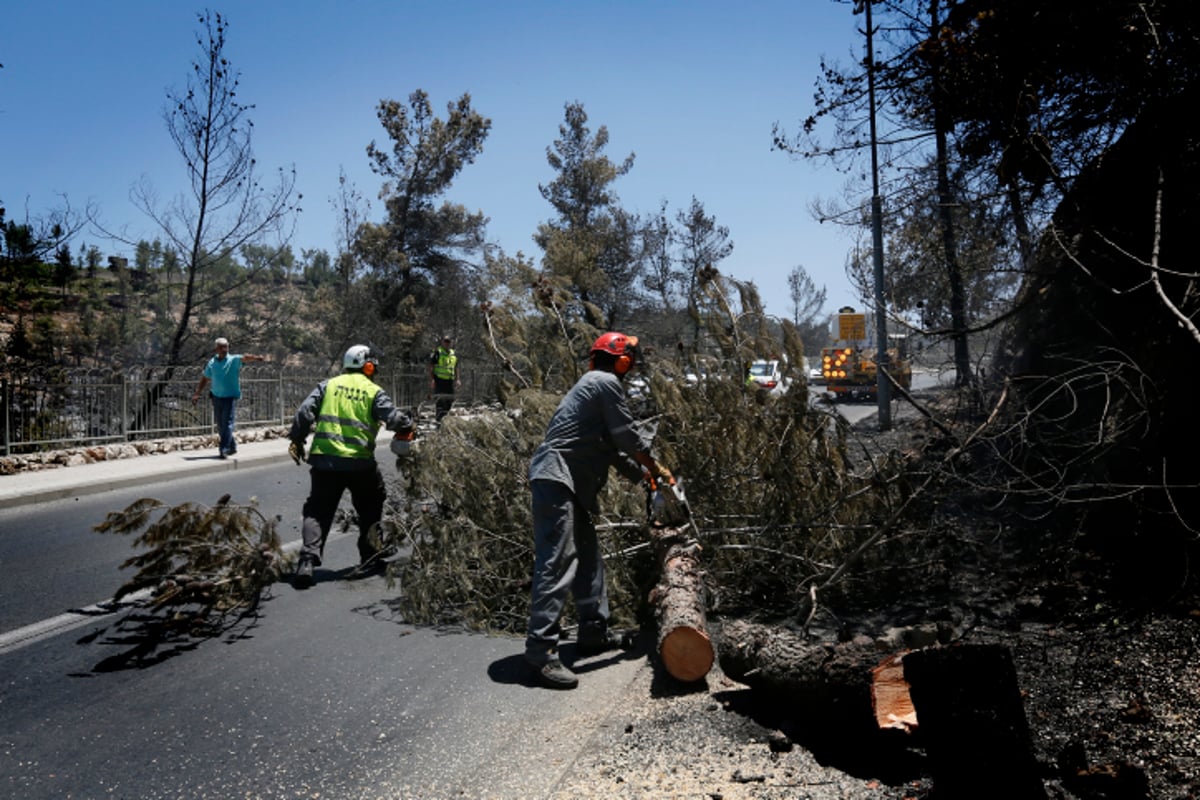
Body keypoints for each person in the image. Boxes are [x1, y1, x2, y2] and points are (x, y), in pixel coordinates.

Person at [524, 331, 674, 690]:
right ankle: (539, 654)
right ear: (621, 361)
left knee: (588, 558)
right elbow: (628, 439)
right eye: (630, 360)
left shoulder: (594, 386)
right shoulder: (604, 383)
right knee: (557, 562)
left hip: (568, 485)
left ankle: (593, 632)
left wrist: (644, 479)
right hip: (557, 479)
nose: (631, 366)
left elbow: (611, 450)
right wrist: (657, 469)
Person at [286, 345, 414, 589]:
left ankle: (307, 560)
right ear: (367, 365)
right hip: (359, 463)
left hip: (325, 460)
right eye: (373, 365)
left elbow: (304, 412)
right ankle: (370, 556)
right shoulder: (373, 391)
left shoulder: (328, 385)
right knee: (371, 506)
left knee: (317, 510)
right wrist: (408, 424)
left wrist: (297, 438)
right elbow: (394, 419)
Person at [191, 336, 265, 458]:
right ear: (217, 349)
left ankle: (223, 449)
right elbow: (205, 378)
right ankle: (232, 447)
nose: (225, 349)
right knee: (221, 425)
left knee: (228, 423)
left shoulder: (233, 360)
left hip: (229, 397)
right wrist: (197, 393)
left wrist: (257, 358)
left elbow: (245, 357)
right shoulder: (212, 362)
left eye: (226, 347)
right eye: (222, 347)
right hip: (216, 397)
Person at [428, 334, 459, 423]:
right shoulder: (438, 352)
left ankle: (446, 418)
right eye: (445, 341)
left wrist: (458, 379)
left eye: (448, 342)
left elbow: (456, 367)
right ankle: (439, 420)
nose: (447, 344)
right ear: (442, 342)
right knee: (440, 400)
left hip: (449, 381)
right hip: (439, 380)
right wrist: (432, 379)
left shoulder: (453, 354)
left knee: (449, 399)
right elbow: (431, 366)